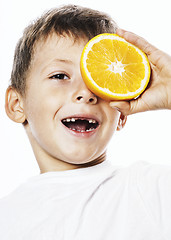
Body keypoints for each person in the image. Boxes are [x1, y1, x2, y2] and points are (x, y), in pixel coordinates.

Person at [0, 4, 171, 240]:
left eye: (98, 81)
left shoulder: (151, 191)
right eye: (60, 76)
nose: (86, 93)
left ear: (121, 114)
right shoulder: (6, 218)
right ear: (17, 104)